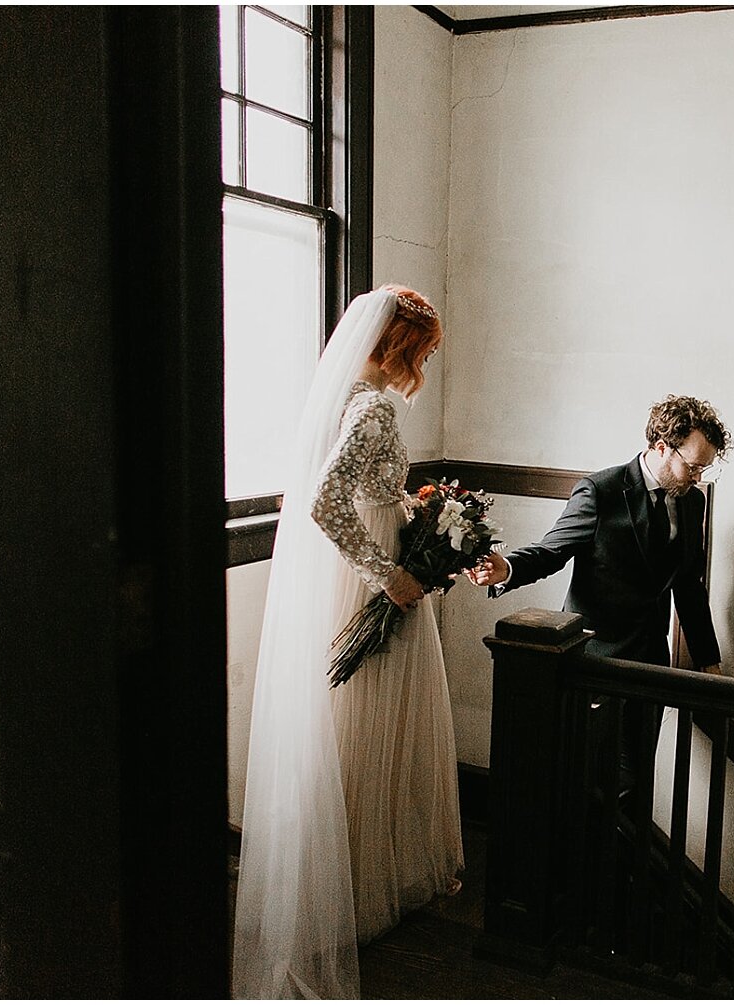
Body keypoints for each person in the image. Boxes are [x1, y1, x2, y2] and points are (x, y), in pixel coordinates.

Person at [232, 286, 462, 999]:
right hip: (368, 584)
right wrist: (387, 573)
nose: (420, 364)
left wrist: (408, 506)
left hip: (363, 574)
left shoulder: (342, 400)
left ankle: (362, 876)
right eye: (419, 350)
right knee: (363, 728)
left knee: (363, 728)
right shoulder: (371, 406)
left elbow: (349, 491)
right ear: (398, 344)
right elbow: (322, 502)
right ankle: (353, 891)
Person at [469, 395, 732, 800]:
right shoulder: (601, 490)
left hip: (650, 666)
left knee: (636, 783)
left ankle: (622, 865)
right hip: (596, 662)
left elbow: (689, 587)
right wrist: (508, 569)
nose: (697, 477)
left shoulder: (691, 501)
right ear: (662, 446)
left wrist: (709, 664)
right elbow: (552, 550)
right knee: (588, 784)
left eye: (704, 468)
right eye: (693, 465)